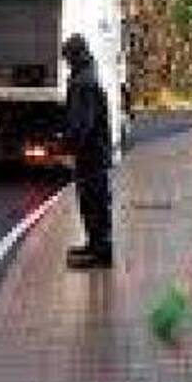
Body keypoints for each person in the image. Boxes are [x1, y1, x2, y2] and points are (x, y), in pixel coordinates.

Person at [59, 34, 114, 268]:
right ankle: (95, 244)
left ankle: (100, 251)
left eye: (67, 57)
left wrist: (69, 146)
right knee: (94, 200)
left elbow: (83, 123)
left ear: (73, 56)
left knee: (93, 201)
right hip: (96, 151)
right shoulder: (88, 75)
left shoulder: (83, 82)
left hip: (91, 153)